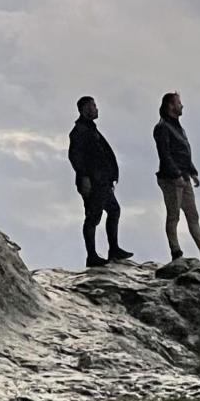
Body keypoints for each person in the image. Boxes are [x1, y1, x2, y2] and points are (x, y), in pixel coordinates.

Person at [152, 91, 200, 265]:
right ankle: (176, 252)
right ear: (170, 106)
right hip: (171, 179)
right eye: (178, 103)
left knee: (193, 216)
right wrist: (176, 175)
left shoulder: (177, 127)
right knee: (173, 216)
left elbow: (184, 153)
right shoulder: (162, 127)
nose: (182, 106)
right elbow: (164, 154)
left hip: (184, 177)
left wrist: (192, 171)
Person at [68, 95, 132, 270]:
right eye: (93, 106)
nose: (96, 109)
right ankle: (92, 255)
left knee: (114, 210)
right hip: (93, 182)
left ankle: (113, 249)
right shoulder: (80, 131)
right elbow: (75, 157)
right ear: (85, 109)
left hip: (102, 181)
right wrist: (84, 178)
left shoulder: (90, 129)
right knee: (93, 217)